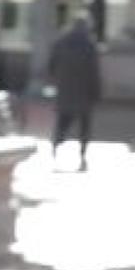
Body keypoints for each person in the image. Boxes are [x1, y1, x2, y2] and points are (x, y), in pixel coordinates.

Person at [48, 14, 101, 172]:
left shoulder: (61, 42)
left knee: (62, 123)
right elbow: (94, 70)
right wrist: (96, 91)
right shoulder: (89, 44)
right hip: (84, 91)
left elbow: (51, 65)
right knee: (84, 127)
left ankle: (55, 149)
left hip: (65, 89)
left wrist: (58, 80)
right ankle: (82, 155)